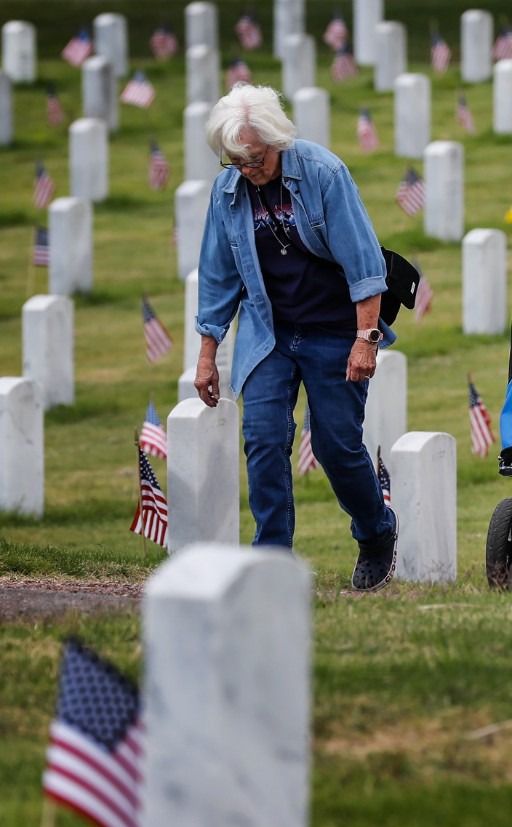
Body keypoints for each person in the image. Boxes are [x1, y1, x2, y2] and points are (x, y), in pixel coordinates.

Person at [193, 83, 399, 591]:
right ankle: (271, 563)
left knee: (335, 448)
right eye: (235, 160)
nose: (247, 169)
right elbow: (218, 277)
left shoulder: (323, 173)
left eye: (256, 158)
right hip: (270, 333)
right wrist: (207, 355)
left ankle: (376, 532)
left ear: (277, 140)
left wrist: (365, 338)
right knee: (263, 440)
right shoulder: (228, 193)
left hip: (335, 330)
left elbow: (365, 263)